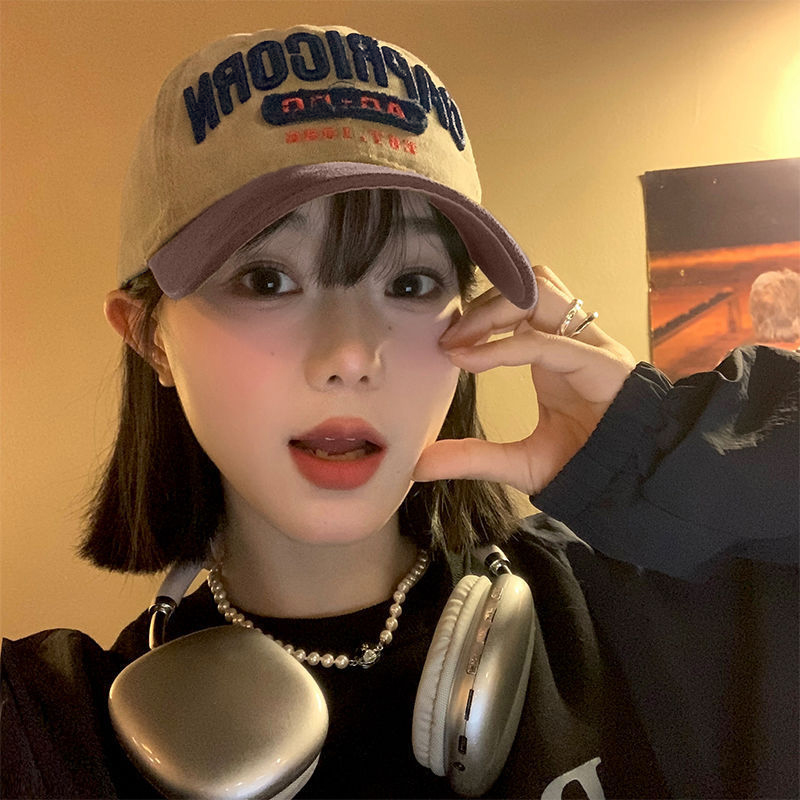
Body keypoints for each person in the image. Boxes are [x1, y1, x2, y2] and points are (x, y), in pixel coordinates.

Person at [2, 24, 797, 800]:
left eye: (410, 283)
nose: (351, 354)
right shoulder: (56, 734)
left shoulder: (634, 604)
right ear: (150, 337)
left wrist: (652, 451)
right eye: (268, 280)